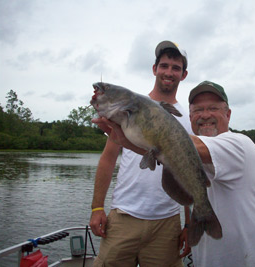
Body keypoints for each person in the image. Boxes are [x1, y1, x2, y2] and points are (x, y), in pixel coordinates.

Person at [90, 41, 192, 266]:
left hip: (167, 224)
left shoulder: (187, 119)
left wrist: (188, 223)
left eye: (175, 68)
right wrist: (97, 207)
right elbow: (107, 160)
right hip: (124, 217)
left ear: (183, 75)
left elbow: (188, 175)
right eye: (164, 66)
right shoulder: (126, 110)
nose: (168, 72)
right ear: (154, 69)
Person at [188, 81, 255, 266]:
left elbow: (172, 142)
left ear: (228, 114)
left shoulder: (238, 144)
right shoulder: (192, 156)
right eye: (198, 110)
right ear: (190, 116)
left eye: (213, 108)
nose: (205, 115)